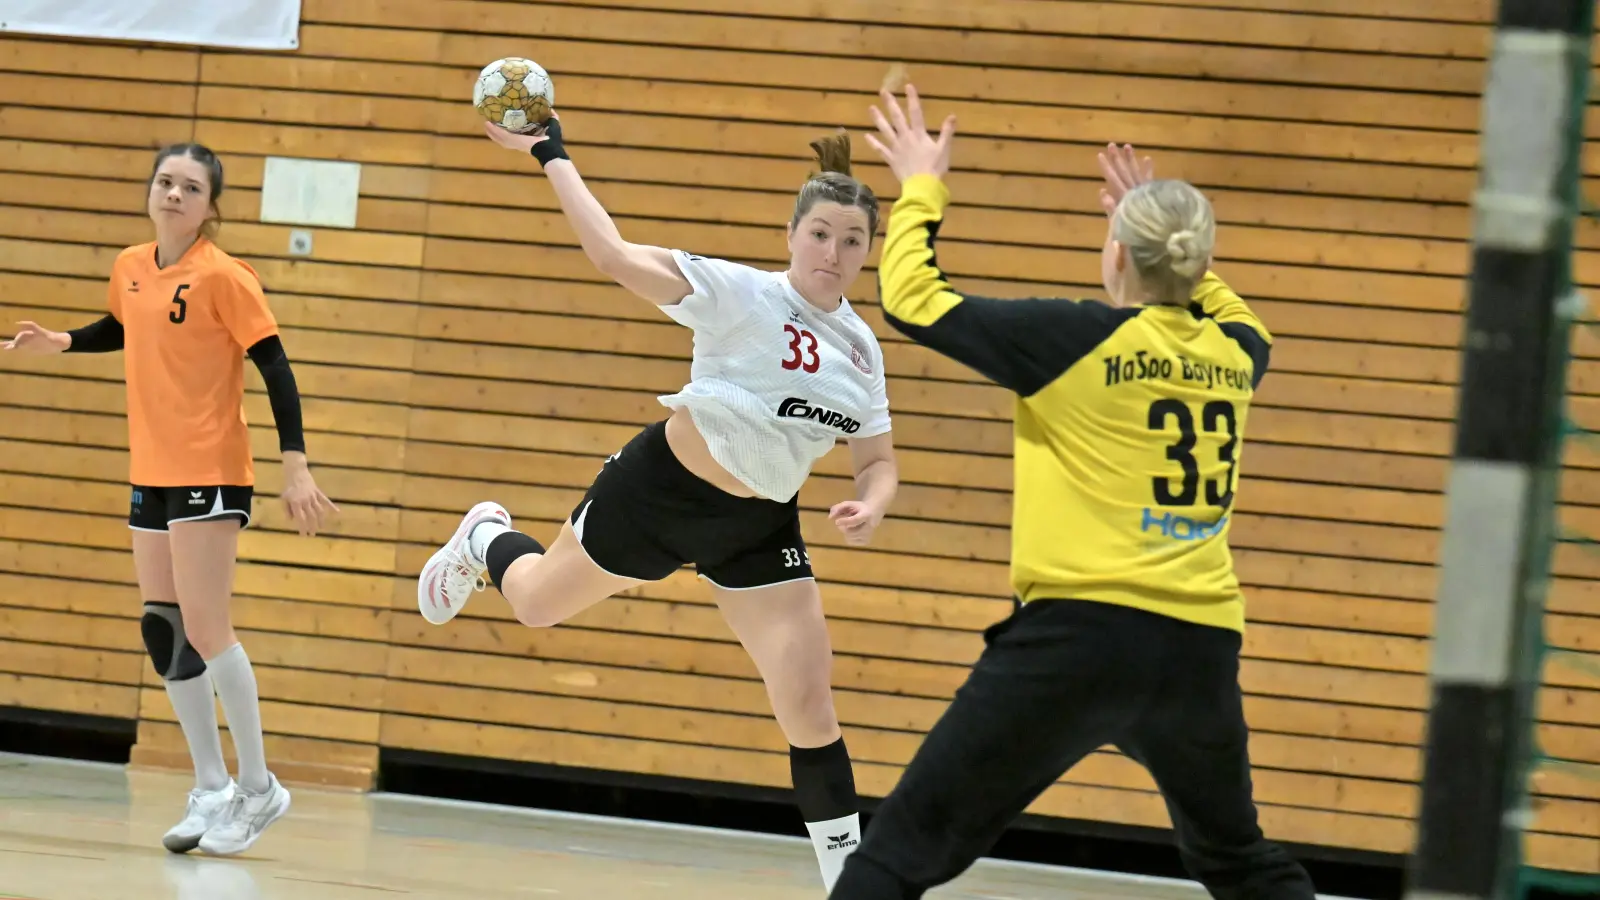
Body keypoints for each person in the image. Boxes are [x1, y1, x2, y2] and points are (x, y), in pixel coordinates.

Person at [829, 87, 1318, 900]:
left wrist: (922, 184)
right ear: (1194, 265)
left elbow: (913, 298)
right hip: (1198, 649)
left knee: (899, 852)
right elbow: (1226, 306)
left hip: (1078, 641)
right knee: (1239, 861)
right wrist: (1162, 230)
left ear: (1119, 256)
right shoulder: (1238, 354)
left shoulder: (1076, 341)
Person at [414, 113, 900, 891]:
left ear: (867, 250)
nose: (833, 253)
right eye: (819, 233)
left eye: (851, 240)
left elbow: (877, 461)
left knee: (809, 704)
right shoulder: (737, 291)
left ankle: (854, 885)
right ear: (791, 234)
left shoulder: (861, 349)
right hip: (658, 494)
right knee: (536, 603)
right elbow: (610, 255)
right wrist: (551, 154)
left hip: (758, 525)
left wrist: (871, 502)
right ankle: (486, 539)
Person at [3, 143, 337, 856]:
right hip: (151, 467)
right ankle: (212, 785)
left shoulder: (225, 276)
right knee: (164, 626)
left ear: (211, 206)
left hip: (210, 468)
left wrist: (296, 466)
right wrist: (61, 341)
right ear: (150, 192)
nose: (175, 194)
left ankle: (258, 787)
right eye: (165, 182)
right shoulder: (130, 266)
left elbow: (276, 368)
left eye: (191, 187)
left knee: (211, 629)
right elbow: (125, 328)